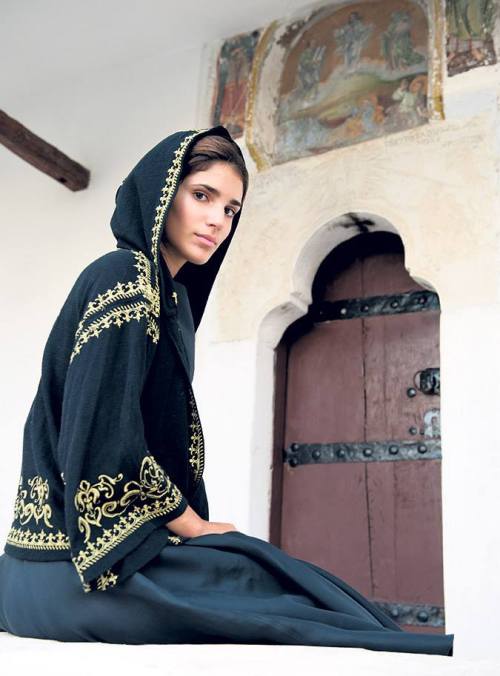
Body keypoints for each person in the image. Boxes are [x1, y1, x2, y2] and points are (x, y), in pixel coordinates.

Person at [0, 124, 453, 655]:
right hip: (70, 568)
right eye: (202, 196)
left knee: (275, 579)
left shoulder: (166, 302)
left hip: (61, 573)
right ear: (163, 192)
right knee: (272, 591)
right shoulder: (122, 276)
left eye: (231, 209)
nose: (218, 220)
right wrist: (192, 526)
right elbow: (106, 432)